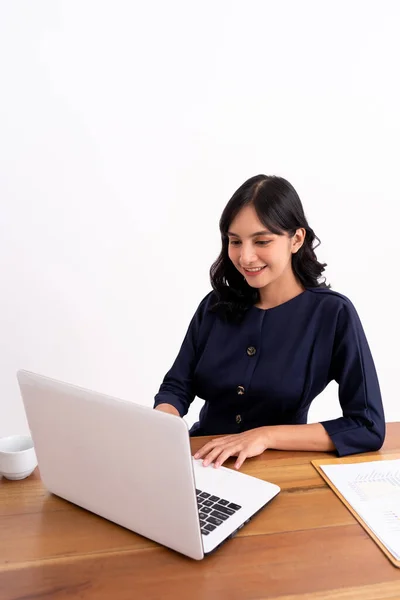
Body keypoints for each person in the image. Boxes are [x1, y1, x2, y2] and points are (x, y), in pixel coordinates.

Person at [154, 175, 385, 470]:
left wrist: (265, 436)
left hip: (281, 469)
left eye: (261, 241)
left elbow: (367, 425)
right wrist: (164, 422)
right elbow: (177, 385)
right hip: (203, 462)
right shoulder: (215, 306)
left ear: (296, 239)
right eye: (235, 241)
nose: (245, 256)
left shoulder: (332, 314)